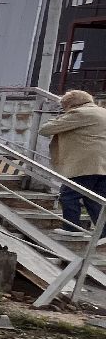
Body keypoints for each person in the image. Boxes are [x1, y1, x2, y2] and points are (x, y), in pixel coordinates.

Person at [39, 89, 106, 236]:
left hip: (85, 164)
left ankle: (71, 228)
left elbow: (45, 129)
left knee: (68, 195)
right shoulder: (102, 112)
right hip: (102, 165)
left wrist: (57, 117)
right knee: (94, 199)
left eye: (64, 107)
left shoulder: (80, 113)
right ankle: (103, 233)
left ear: (71, 104)